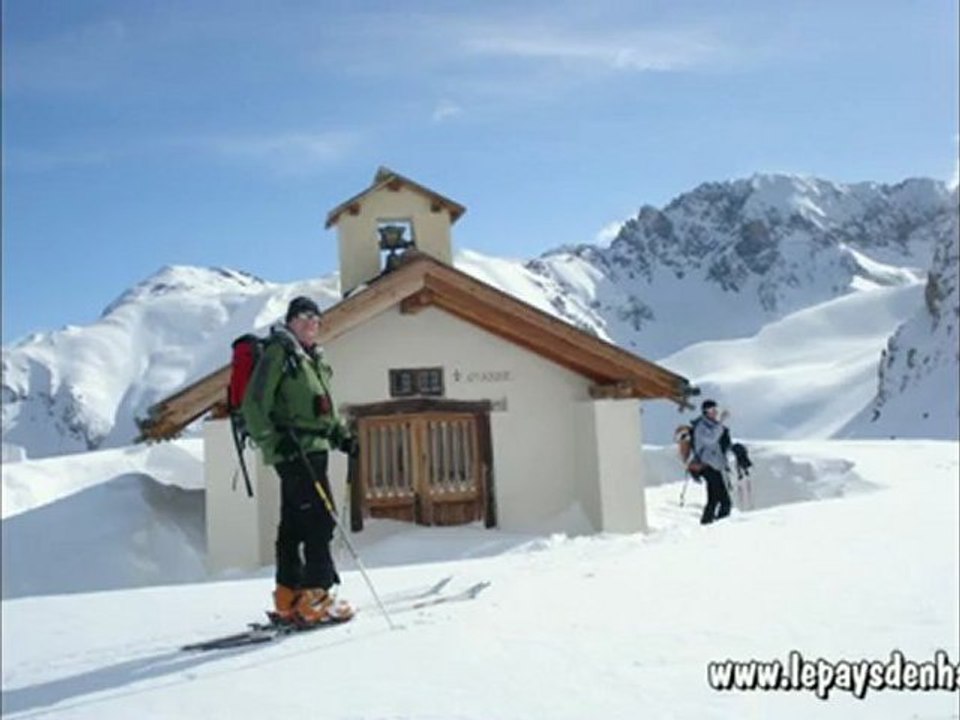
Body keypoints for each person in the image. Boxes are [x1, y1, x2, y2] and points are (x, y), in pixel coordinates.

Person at [241, 296, 359, 625]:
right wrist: (274, 442)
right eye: (304, 316)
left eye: (316, 319)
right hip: (295, 450)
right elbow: (254, 403)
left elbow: (321, 410)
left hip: (312, 448)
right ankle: (316, 597)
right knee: (320, 520)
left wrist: (341, 437)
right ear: (290, 321)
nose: (311, 323)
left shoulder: (311, 358)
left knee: (294, 522)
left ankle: (288, 594)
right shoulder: (280, 353)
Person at [689, 399, 732, 525]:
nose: (715, 412)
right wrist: (721, 422)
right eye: (712, 410)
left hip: (714, 466)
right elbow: (711, 439)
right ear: (705, 411)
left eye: (716, 409)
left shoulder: (713, 425)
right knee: (724, 500)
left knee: (714, 499)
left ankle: (708, 523)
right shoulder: (701, 427)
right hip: (707, 466)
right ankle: (718, 525)